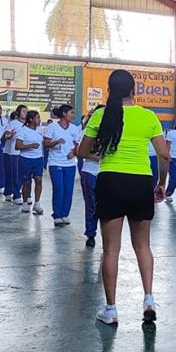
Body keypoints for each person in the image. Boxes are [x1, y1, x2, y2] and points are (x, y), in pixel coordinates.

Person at [78, 69, 168, 326]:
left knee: (111, 250)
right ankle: (149, 299)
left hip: (111, 182)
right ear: (133, 90)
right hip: (140, 182)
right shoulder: (148, 116)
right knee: (143, 246)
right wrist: (161, 184)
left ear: (109, 90)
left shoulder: (100, 115)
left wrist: (103, 152)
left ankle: (111, 309)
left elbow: (82, 151)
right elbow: (163, 155)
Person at [44, 104, 80, 226]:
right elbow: (46, 143)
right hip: (55, 162)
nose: (73, 115)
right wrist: (56, 142)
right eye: (71, 113)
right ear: (64, 114)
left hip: (69, 164)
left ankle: (65, 214)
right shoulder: (52, 127)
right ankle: (57, 215)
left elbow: (78, 144)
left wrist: (73, 153)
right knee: (59, 188)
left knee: (68, 190)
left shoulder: (74, 128)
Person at [79, 105, 103, 247]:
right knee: (91, 205)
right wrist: (96, 157)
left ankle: (107, 235)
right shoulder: (88, 133)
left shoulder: (113, 133)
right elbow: (80, 152)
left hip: (107, 173)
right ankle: (91, 234)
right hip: (90, 171)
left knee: (107, 206)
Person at [16, 110, 45, 216]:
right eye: (37, 117)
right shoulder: (22, 131)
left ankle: (37, 203)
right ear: (31, 119)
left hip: (38, 159)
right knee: (26, 182)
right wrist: (30, 146)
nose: (39, 120)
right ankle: (25, 203)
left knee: (39, 180)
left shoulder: (41, 130)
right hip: (25, 159)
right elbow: (17, 146)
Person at [2, 105, 27, 204]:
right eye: (23, 111)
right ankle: (16, 195)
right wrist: (11, 134)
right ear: (18, 113)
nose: (26, 113)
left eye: (27, 111)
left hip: (25, 152)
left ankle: (26, 194)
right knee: (15, 174)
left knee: (24, 175)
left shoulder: (29, 124)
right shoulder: (13, 123)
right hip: (14, 152)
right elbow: (6, 136)